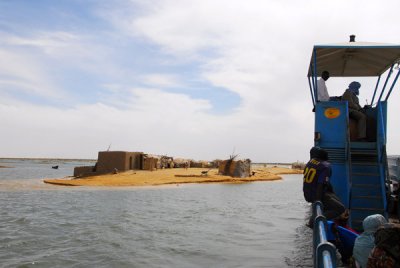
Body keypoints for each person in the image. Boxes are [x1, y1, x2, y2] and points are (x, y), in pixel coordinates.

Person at [303, 146, 346, 226]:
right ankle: (313, 221)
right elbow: (320, 184)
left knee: (336, 199)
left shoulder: (310, 162)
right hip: (316, 194)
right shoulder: (326, 166)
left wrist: (332, 194)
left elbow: (326, 183)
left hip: (307, 193)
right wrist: (318, 201)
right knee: (341, 208)